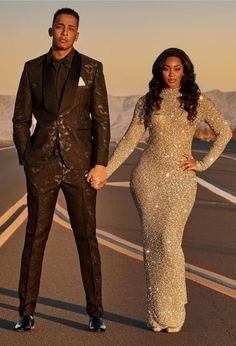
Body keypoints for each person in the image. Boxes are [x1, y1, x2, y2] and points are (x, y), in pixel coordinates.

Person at [92, 48, 232, 332]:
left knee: (169, 241)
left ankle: (174, 312)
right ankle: (156, 314)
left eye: (177, 68)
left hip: (180, 181)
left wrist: (202, 163)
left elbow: (224, 132)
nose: (171, 74)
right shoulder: (147, 101)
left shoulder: (198, 101)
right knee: (153, 247)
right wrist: (106, 169)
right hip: (147, 179)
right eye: (166, 68)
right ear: (159, 70)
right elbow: (130, 139)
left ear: (185, 71)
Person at [13, 8, 110, 332]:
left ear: (77, 34)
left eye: (71, 29)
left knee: (87, 239)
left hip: (80, 166)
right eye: (60, 27)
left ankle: (96, 313)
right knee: (35, 238)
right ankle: (25, 311)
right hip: (41, 165)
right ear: (51, 30)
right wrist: (27, 157)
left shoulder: (92, 69)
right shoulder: (31, 69)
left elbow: (102, 120)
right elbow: (21, 119)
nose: (65, 33)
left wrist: (99, 163)